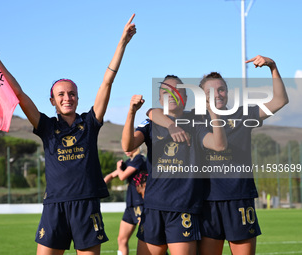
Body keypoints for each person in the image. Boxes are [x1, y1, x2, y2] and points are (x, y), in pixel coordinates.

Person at [0, 14, 136, 255]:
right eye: (61, 95)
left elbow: (107, 82)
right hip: (54, 206)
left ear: (77, 97)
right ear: (52, 101)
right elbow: (20, 94)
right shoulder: (46, 127)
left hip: (86, 205)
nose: (67, 98)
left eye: (72, 93)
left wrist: (122, 43)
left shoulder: (90, 122)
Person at [147, 56, 289, 255]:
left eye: (220, 89)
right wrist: (170, 125)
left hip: (239, 198)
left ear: (227, 93)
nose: (217, 94)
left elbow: (280, 101)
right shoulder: (194, 118)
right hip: (206, 201)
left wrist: (272, 67)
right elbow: (153, 112)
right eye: (210, 92)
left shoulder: (243, 115)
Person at [121, 75, 227, 255]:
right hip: (153, 207)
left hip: (183, 208)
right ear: (160, 98)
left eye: (176, 91)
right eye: (165, 91)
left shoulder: (195, 123)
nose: (171, 94)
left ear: (185, 98)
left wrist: (213, 112)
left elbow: (219, 145)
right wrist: (131, 112)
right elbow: (128, 145)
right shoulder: (150, 122)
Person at [104, 148, 147, 255]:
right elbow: (112, 175)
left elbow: (122, 176)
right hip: (130, 206)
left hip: (140, 204)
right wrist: (102, 183)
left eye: (130, 147)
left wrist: (119, 168)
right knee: (122, 239)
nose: (126, 150)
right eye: (125, 148)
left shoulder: (139, 159)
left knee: (148, 238)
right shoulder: (128, 162)